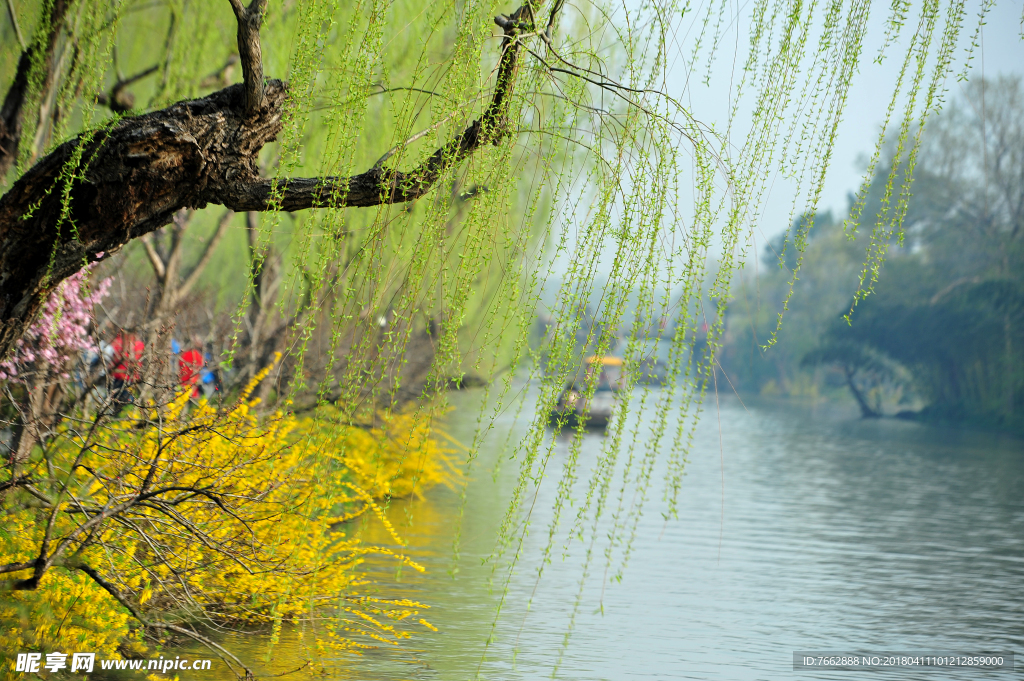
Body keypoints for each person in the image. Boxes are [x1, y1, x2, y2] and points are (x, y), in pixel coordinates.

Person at [109, 332, 144, 412]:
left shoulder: (117, 342)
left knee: (116, 401)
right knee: (126, 402)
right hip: (128, 378)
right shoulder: (139, 345)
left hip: (118, 376)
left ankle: (117, 417)